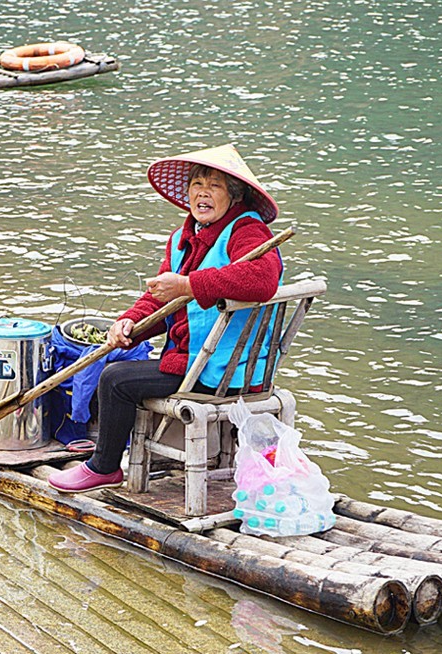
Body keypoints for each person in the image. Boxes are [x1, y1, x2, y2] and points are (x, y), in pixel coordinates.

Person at [48, 143, 284, 493]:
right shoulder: (183, 238)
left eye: (214, 186)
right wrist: (129, 322)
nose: (202, 192)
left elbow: (262, 280)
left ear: (234, 197)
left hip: (223, 369)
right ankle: (115, 462)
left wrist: (189, 284)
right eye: (196, 185)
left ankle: (104, 467)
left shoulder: (247, 231)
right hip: (193, 361)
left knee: (115, 379)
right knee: (115, 361)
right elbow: (159, 298)